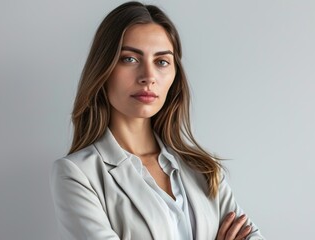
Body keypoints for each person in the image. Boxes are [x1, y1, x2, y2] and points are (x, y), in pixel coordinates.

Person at [50, 1, 265, 240]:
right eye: (130, 59)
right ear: (104, 68)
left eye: (162, 61)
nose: (148, 77)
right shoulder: (77, 174)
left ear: (174, 75)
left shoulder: (203, 170)